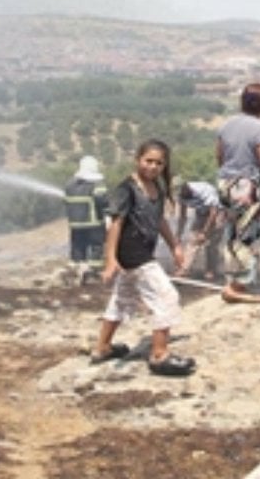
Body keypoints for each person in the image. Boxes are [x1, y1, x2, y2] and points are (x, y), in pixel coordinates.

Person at [89, 139, 195, 377]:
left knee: (121, 299)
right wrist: (110, 260)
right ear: (138, 160)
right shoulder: (127, 189)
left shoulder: (155, 186)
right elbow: (116, 224)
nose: (153, 166)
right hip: (133, 253)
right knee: (166, 296)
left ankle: (103, 348)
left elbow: (159, 221)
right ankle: (159, 355)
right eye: (148, 161)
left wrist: (175, 246)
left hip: (140, 252)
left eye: (159, 163)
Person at [216, 83, 260, 303]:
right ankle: (239, 286)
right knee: (248, 236)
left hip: (226, 184)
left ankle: (232, 282)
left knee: (232, 235)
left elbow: (220, 157)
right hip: (249, 188)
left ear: (242, 102)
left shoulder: (226, 126)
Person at [63, 155, 109, 284]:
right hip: (94, 223)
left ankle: (77, 270)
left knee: (78, 246)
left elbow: (65, 202)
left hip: (75, 225)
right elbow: (102, 201)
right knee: (96, 246)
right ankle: (93, 272)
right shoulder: (96, 183)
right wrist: (108, 212)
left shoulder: (69, 184)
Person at [175, 180, 225, 281]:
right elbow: (183, 216)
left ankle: (210, 270)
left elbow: (213, 213)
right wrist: (178, 234)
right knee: (193, 240)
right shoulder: (181, 195)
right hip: (201, 213)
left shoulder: (205, 190)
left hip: (218, 213)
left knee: (211, 245)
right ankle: (185, 269)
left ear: (191, 191)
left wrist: (204, 233)